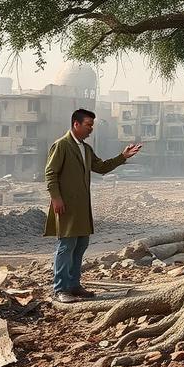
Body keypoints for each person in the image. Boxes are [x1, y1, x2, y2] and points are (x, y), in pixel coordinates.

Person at [44, 108, 142, 303]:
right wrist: (56, 198)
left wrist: (123, 156)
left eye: (92, 126)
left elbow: (101, 167)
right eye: (88, 125)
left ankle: (74, 285)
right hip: (65, 206)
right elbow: (50, 173)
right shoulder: (61, 145)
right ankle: (60, 289)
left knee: (81, 245)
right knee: (66, 246)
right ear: (76, 124)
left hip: (81, 207)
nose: (91, 129)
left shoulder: (85, 149)